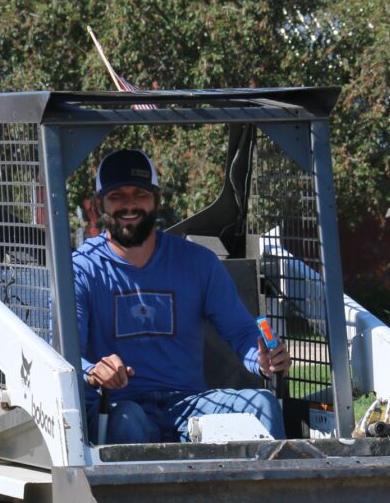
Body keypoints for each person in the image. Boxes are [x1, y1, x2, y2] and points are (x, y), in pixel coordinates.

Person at [73, 148, 290, 444]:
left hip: (189, 403)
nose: (130, 205)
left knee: (262, 406)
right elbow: (64, 354)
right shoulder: (80, 269)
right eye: (117, 196)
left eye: (140, 194)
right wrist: (94, 371)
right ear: (99, 206)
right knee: (127, 422)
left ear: (156, 200)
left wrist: (263, 360)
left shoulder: (198, 263)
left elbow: (242, 333)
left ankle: (272, 490)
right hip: (117, 405)